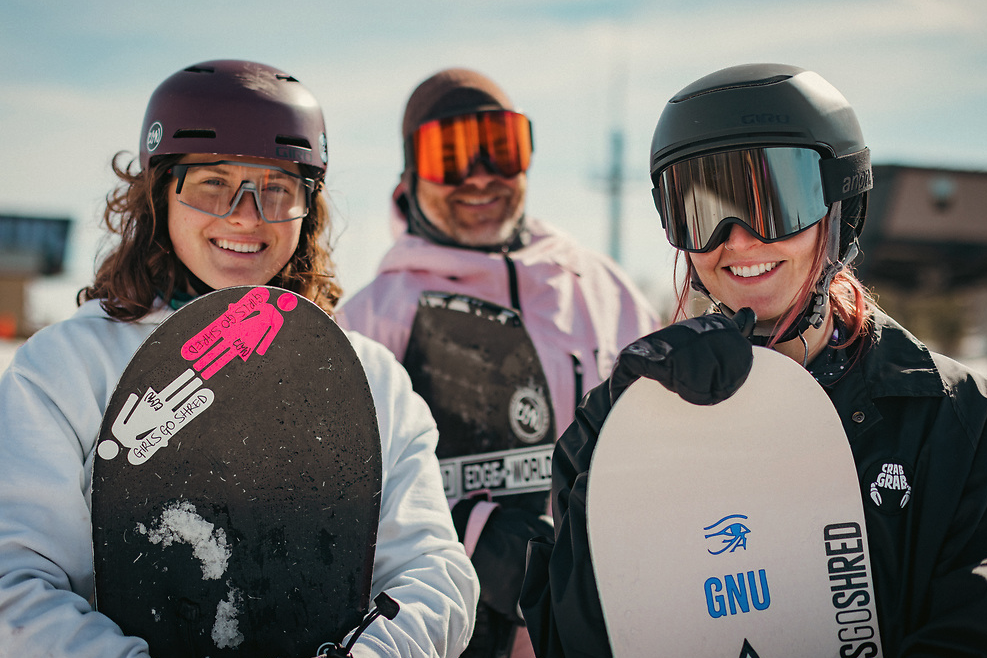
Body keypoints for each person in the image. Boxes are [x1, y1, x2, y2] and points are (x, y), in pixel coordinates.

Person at [0, 59, 478, 658]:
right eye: (213, 183)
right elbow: (16, 585)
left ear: (308, 209)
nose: (247, 215)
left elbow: (436, 575)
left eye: (277, 188)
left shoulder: (369, 379)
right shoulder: (67, 369)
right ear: (159, 194)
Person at [519, 63, 987, 657]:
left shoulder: (949, 418)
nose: (736, 240)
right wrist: (618, 450)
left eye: (773, 201)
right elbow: (576, 639)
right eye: (702, 210)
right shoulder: (615, 422)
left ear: (840, 202)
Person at [335, 68, 659, 657]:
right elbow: (340, 502)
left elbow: (661, 444)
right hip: (457, 634)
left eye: (501, 149)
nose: (480, 175)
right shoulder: (371, 319)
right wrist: (473, 535)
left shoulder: (601, 289)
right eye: (449, 155)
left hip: (608, 620)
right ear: (410, 175)